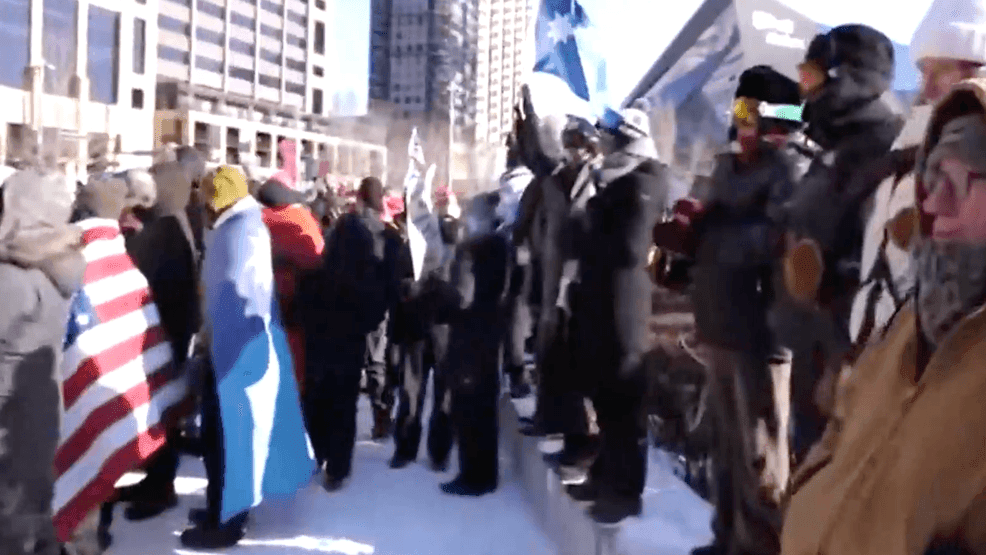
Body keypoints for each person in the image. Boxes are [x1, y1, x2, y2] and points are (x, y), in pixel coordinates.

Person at [781, 77, 986, 555]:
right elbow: (840, 433)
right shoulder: (909, 324)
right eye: (931, 180)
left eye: (958, 182)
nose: (932, 203)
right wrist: (806, 502)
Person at [679, 66, 802, 555]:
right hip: (719, 321)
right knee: (727, 447)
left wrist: (712, 232)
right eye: (738, 110)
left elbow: (777, 239)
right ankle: (727, 538)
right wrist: (685, 237)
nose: (742, 124)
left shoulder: (790, 169)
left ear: (777, 120)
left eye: (752, 112)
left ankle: (762, 547)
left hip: (761, 331)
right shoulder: (725, 168)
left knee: (760, 453)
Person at [782, 24, 904, 461]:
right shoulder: (836, 149)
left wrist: (844, 359)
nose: (806, 90)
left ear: (849, 79)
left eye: (813, 77)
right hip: (813, 343)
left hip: (850, 359)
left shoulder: (889, 149)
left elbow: (890, 267)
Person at [845, 0, 986, 361]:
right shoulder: (904, 145)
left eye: (943, 70)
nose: (927, 86)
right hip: (882, 351)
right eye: (923, 70)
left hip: (951, 357)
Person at [185, 166, 315, 549]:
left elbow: (243, 294)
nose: (203, 208)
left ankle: (228, 522)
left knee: (229, 438)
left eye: (206, 200)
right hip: (225, 348)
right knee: (217, 437)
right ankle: (218, 506)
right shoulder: (236, 226)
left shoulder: (241, 230)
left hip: (237, 353)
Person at [560, 105, 668, 524]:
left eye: (610, 141)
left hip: (625, 302)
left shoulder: (644, 181)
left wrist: (591, 225)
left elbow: (629, 247)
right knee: (603, 392)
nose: (602, 148)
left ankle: (625, 490)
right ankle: (604, 475)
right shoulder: (614, 183)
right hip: (599, 298)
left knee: (623, 395)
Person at [0, 169, 85, 555]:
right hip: (41, 405)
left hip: (10, 413)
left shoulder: (15, 275)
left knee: (12, 513)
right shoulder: (57, 259)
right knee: (34, 500)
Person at [306, 176, 400, 490]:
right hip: (360, 324)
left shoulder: (341, 231)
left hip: (326, 324)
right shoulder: (388, 237)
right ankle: (339, 466)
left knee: (324, 393)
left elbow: (321, 270)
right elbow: (391, 284)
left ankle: (319, 453)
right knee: (348, 397)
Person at [257, 178, 325, 394]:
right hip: (300, 301)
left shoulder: (257, 221)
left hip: (268, 301)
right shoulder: (303, 219)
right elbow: (317, 255)